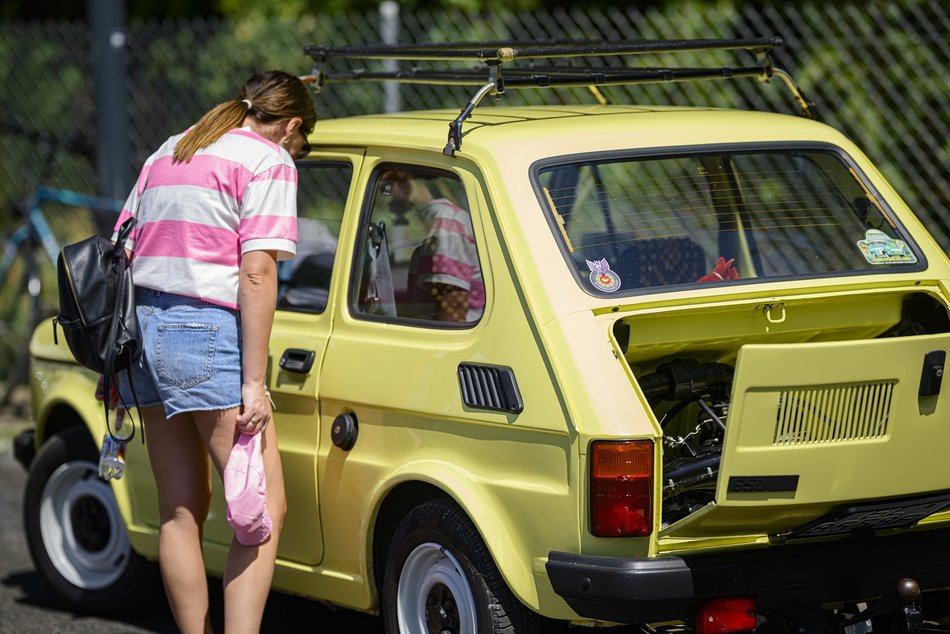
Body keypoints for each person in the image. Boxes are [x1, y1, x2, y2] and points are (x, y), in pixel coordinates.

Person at [112, 70, 316, 634]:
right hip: (206, 335)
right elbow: (257, 272)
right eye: (301, 142)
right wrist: (254, 383)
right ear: (291, 125)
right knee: (262, 513)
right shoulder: (269, 160)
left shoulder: (172, 148)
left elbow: (122, 245)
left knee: (180, 510)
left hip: (142, 332)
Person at [377, 169, 485, 322]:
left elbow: (453, 308)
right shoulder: (440, 219)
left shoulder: (446, 220)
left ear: (402, 183)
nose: (384, 195)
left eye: (386, 188)